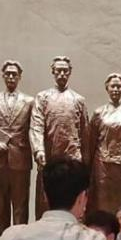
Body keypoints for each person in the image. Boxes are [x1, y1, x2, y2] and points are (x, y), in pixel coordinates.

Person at [30, 56, 88, 219]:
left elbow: (85, 133)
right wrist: (39, 150)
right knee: (46, 202)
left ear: (70, 72)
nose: (62, 74)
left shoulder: (78, 100)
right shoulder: (43, 97)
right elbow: (36, 126)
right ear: (53, 72)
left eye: (65, 71)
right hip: (49, 159)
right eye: (59, 70)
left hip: (72, 160)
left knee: (74, 200)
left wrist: (85, 164)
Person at [0, 60, 35, 234]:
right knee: (1, 205)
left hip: (20, 159)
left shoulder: (29, 101)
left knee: (20, 205)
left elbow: (34, 128)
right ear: (3, 76)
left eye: (14, 74)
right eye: (8, 74)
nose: (11, 77)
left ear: (20, 77)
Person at [87, 73, 121, 214]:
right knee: (102, 201)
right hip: (102, 164)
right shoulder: (99, 113)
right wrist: (87, 167)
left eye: (119, 86)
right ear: (107, 88)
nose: (115, 89)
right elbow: (91, 142)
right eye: (113, 86)